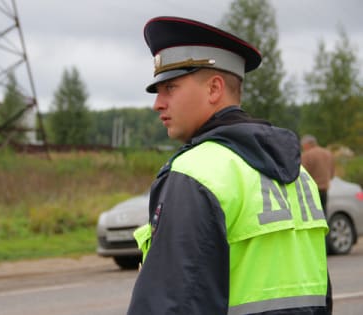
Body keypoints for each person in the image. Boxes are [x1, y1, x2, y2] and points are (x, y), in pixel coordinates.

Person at [127, 16, 332, 315]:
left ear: (214, 89)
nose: (157, 103)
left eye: (170, 87)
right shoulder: (300, 176)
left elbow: (173, 305)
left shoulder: (195, 174)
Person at [301, 134, 335, 215]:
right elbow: (332, 174)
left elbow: (302, 174)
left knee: (313, 216)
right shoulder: (328, 153)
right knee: (324, 215)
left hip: (311, 191)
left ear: (307, 144)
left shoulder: (307, 155)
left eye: (303, 145)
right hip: (324, 190)